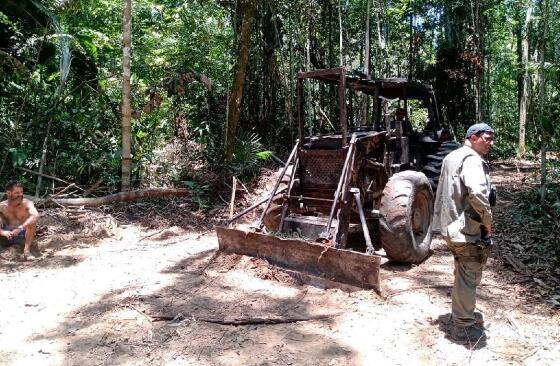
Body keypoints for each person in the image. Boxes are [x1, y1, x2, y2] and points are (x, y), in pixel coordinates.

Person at [432, 123, 495, 344]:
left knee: (462, 272)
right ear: (474, 137)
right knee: (469, 275)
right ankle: (464, 327)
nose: (491, 143)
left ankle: (460, 315)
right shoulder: (472, 160)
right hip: (466, 230)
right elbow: (477, 192)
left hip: (451, 227)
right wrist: (487, 222)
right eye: (488, 138)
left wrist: (438, 224)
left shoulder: (452, 157)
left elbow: (441, 193)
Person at [0, 181, 40, 260]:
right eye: (17, 193)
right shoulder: (1, 206)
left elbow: (36, 215)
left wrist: (20, 228)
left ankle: (27, 251)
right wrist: (3, 232)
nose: (20, 195)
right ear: (8, 193)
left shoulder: (27, 203)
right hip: (5, 237)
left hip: (22, 236)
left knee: (33, 220)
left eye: (21, 192)